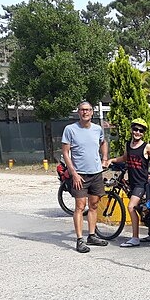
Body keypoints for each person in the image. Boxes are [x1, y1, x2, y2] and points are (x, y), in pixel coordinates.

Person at [61, 102, 110, 253]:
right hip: (80, 175)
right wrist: (74, 174)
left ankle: (92, 235)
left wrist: (104, 159)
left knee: (94, 205)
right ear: (78, 112)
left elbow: (103, 142)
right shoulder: (70, 129)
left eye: (88, 110)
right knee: (80, 207)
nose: (85, 112)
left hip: (96, 173)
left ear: (92, 112)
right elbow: (65, 153)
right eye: (82, 110)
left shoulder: (97, 129)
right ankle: (80, 239)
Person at [105, 118, 150, 247]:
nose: (137, 132)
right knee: (142, 208)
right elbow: (125, 158)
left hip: (141, 183)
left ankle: (135, 238)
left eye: (141, 131)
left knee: (131, 207)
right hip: (132, 182)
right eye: (135, 129)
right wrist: (112, 160)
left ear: (143, 133)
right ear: (132, 130)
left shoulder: (146, 146)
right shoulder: (128, 145)